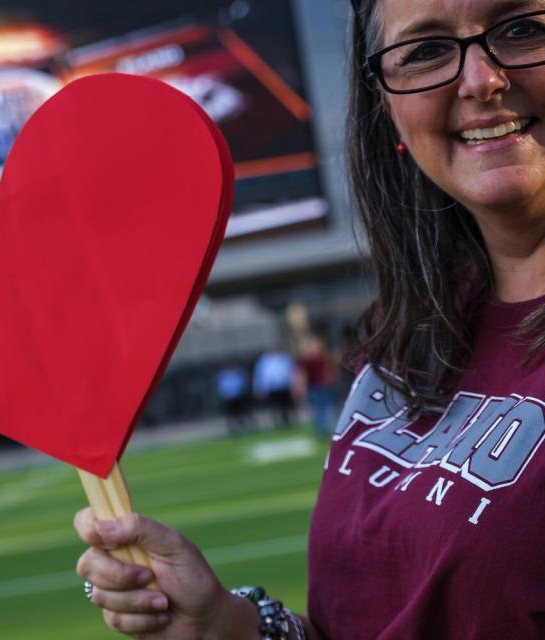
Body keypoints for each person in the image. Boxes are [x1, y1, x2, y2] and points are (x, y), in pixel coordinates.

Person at [74, 0, 545, 637]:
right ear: (390, 107)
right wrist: (231, 626)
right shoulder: (406, 330)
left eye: (523, 30)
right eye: (425, 51)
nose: (481, 80)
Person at [295, 335, 336, 439]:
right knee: (318, 410)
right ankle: (321, 431)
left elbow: (328, 371)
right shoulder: (305, 360)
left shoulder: (321, 357)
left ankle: (324, 429)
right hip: (314, 387)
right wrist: (301, 387)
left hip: (324, 386)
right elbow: (301, 375)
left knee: (326, 409)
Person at [251, 346, 298, 428]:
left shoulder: (284, 358)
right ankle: (278, 422)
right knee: (275, 406)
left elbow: (291, 370)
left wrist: (294, 384)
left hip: (284, 386)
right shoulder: (263, 361)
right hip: (271, 388)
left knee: (286, 405)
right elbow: (259, 375)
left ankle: (288, 421)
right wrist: (259, 387)